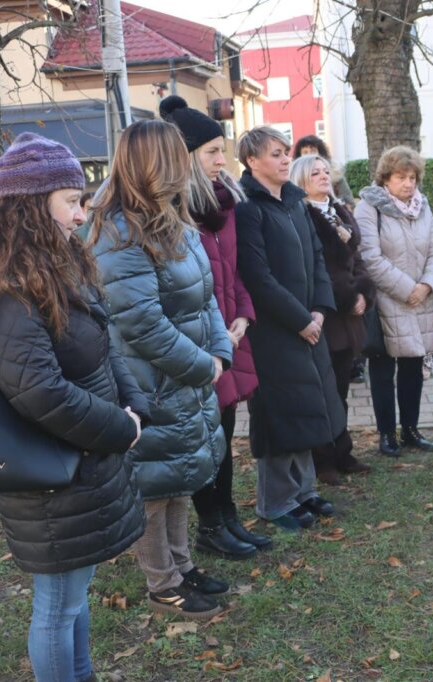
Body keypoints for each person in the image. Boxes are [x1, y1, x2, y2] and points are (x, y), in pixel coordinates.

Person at [0, 132, 147, 682]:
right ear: (31, 204)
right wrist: (119, 426)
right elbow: (39, 390)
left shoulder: (55, 262)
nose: (82, 211)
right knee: (57, 606)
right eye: (71, 200)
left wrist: (133, 400)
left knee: (74, 595)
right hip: (52, 473)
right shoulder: (8, 284)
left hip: (81, 459)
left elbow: (97, 339)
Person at [90, 120, 234, 620]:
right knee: (153, 487)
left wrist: (218, 352)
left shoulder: (174, 218)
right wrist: (201, 366)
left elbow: (206, 296)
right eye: (178, 155)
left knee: (179, 477)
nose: (188, 164)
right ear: (155, 162)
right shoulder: (119, 232)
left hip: (185, 377)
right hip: (151, 383)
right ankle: (163, 585)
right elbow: (140, 324)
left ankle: (183, 567)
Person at [159, 95, 273, 558]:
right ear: (185, 157)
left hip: (231, 333)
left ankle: (227, 516)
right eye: (211, 152)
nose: (221, 160)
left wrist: (244, 315)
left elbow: (234, 269)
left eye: (220, 150)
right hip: (200, 343)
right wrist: (214, 334)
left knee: (224, 432)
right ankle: (210, 525)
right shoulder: (173, 209)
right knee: (207, 437)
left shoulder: (223, 202)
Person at [236, 126, 343, 530]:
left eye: (285, 152)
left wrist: (318, 310)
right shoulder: (248, 207)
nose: (285, 159)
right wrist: (299, 320)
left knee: (308, 409)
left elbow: (317, 258)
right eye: (276, 154)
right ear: (252, 161)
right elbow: (258, 277)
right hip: (274, 331)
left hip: (307, 324)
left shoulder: (296, 203)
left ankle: (304, 491)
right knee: (279, 416)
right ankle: (275, 501)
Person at [289, 153, 375, 485]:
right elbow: (318, 269)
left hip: (349, 316)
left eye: (327, 170)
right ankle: (322, 458)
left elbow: (356, 260)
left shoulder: (339, 212)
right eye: (315, 172)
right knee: (322, 390)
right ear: (301, 179)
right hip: (325, 312)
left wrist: (365, 293)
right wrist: (348, 296)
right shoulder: (303, 215)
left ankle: (343, 451)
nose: (324, 175)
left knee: (340, 388)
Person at [355, 145, 433, 456]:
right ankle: (386, 434)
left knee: (412, 368)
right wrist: (409, 289)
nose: (408, 184)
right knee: (382, 370)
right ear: (385, 178)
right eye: (401, 177)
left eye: (412, 177)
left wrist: (428, 285)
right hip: (387, 302)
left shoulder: (422, 206)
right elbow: (370, 258)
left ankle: (410, 430)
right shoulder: (369, 208)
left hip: (421, 301)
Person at [292, 134, 355, 208]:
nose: (309, 155)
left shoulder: (336, 175)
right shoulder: (294, 180)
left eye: (313, 151)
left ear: (321, 153)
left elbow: (348, 202)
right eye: (305, 152)